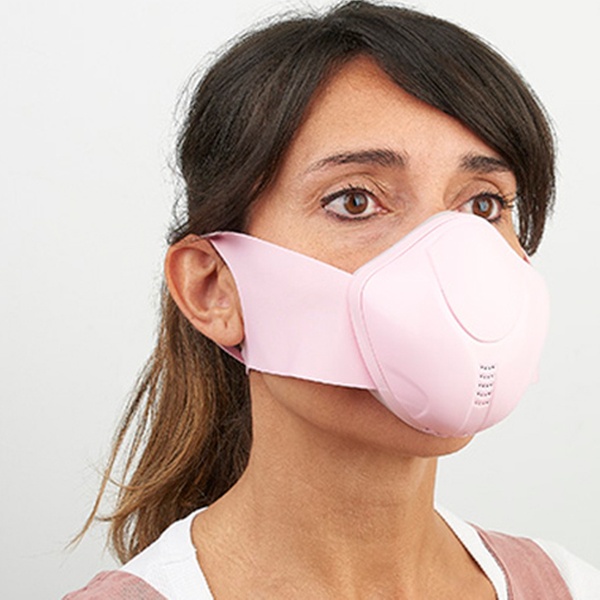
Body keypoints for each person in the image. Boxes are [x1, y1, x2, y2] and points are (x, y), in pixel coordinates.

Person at [65, 1, 600, 598]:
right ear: (214, 288)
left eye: (483, 204)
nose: (451, 265)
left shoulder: (571, 586)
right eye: (355, 201)